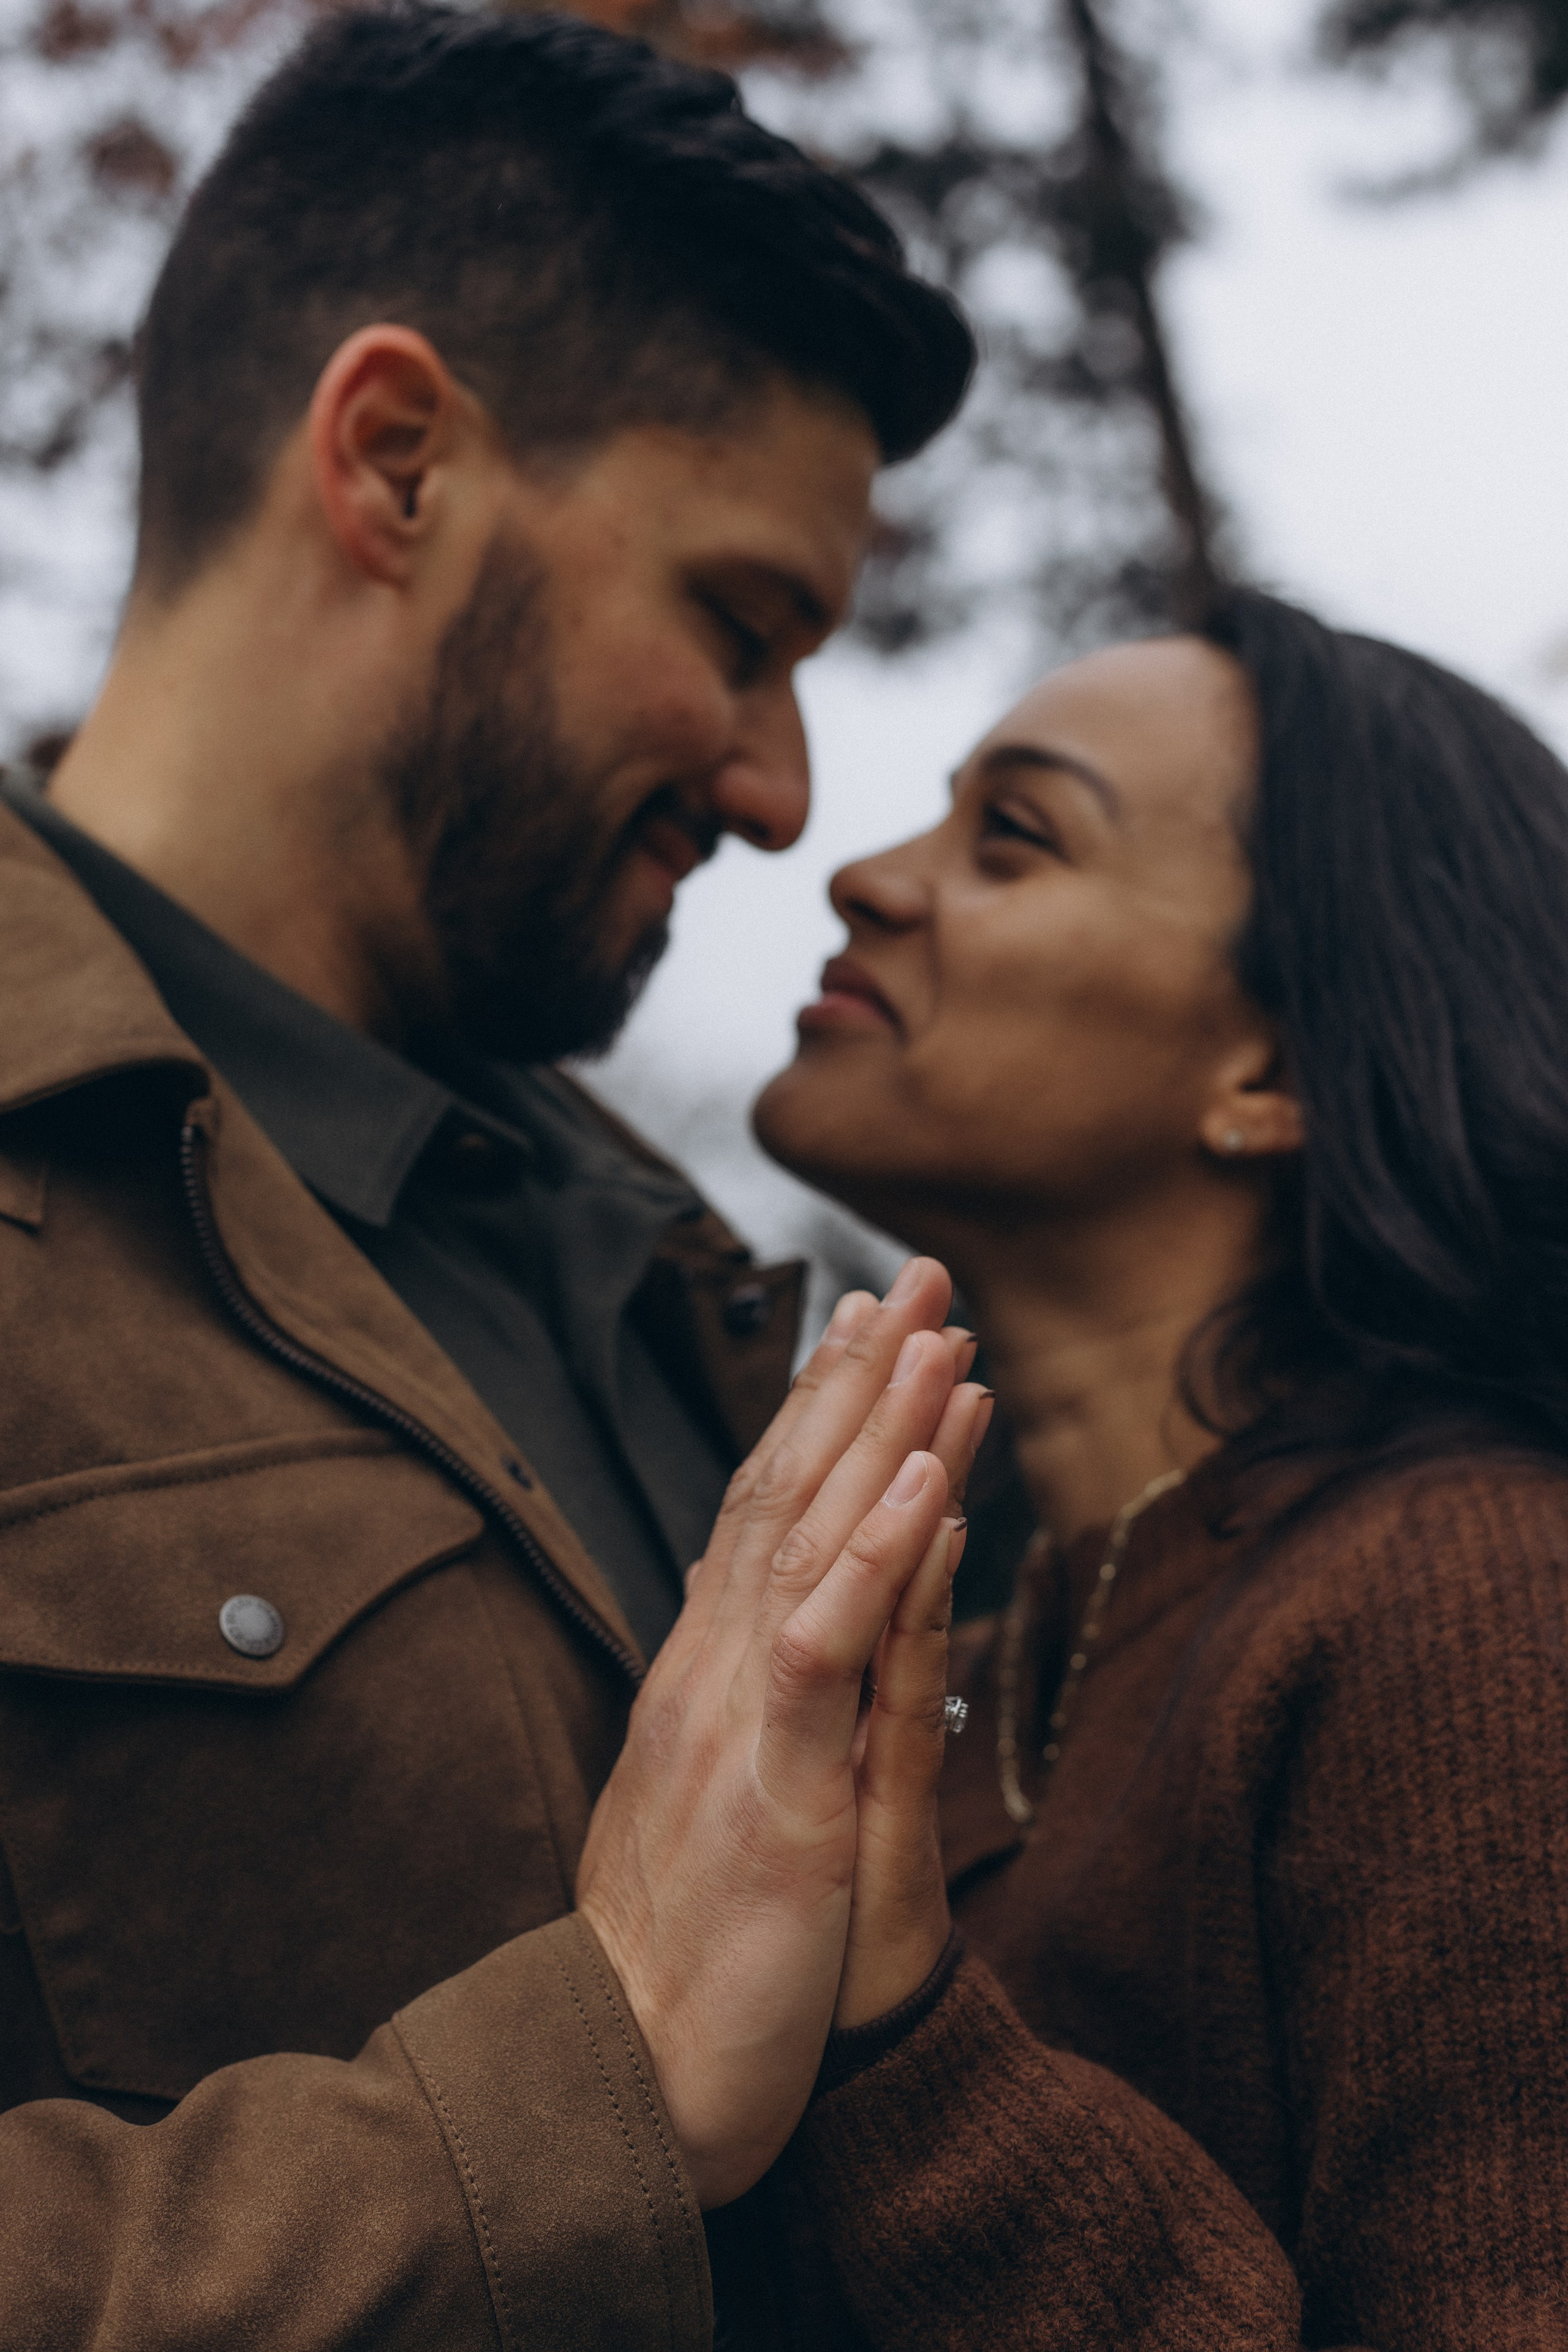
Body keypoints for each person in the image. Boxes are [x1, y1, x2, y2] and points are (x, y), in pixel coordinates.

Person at [0, 6, 982, 2340]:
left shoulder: (691, 1272)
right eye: (741, 630)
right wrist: (593, 2078)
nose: (781, 788)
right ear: (398, 460)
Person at [742, 589, 1568, 2345]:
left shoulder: (1476, 1604)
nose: (867, 874)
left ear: (1267, 1070)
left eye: (1013, 838)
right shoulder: (973, 1665)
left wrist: (905, 2040)